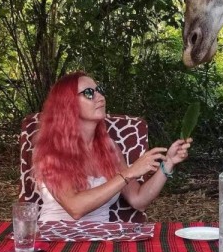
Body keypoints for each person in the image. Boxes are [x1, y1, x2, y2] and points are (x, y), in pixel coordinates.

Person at [32, 72, 192, 222]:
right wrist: (128, 173)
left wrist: (168, 163)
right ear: (67, 104)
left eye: (99, 90)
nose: (100, 97)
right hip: (57, 240)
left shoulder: (109, 147)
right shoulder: (51, 149)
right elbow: (75, 208)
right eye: (89, 93)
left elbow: (138, 200)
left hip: (101, 240)